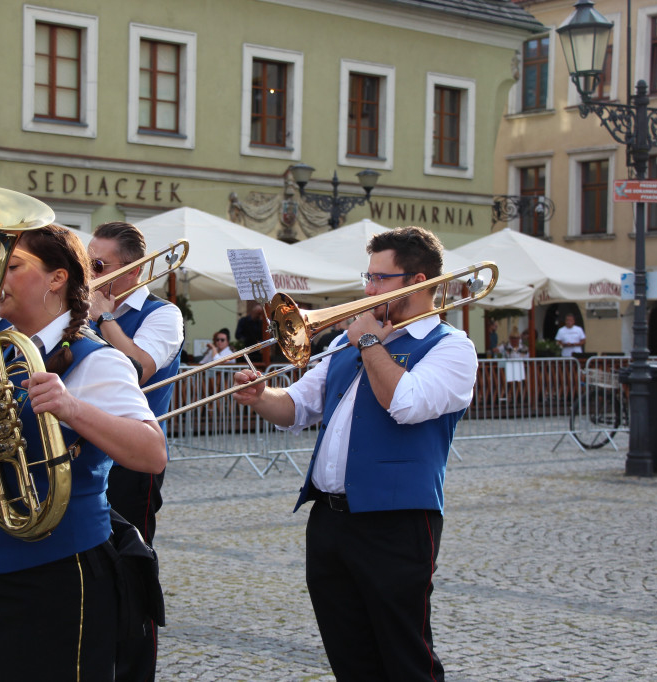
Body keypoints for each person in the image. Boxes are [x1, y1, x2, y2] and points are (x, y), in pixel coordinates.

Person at [232, 226, 476, 681]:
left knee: (406, 658)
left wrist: (368, 343)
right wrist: (261, 396)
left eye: (380, 278)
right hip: (329, 520)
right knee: (350, 657)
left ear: (417, 281)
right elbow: (297, 406)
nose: (368, 290)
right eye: (369, 276)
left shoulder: (451, 348)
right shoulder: (345, 342)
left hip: (396, 522)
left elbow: (405, 403)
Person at [0, 224, 167, 680]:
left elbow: (152, 452)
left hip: (58, 575)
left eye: (13, 267)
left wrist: (71, 407)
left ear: (57, 278)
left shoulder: (97, 358)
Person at [87, 220, 183, 682]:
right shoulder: (79, 309)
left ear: (133, 272)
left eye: (98, 265)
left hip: (133, 459)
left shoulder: (163, 315)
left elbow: (138, 367)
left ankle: (132, 672)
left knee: (130, 568)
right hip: (83, 452)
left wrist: (103, 319)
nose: (89, 274)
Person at [497, 326, 528, 403]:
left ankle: (520, 397)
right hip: (506, 370)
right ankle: (507, 396)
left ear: (519, 339)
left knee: (520, 381)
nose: (514, 340)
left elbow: (527, 358)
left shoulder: (524, 348)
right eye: (512, 338)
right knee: (504, 380)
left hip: (520, 370)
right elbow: (496, 350)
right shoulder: (505, 346)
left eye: (516, 339)